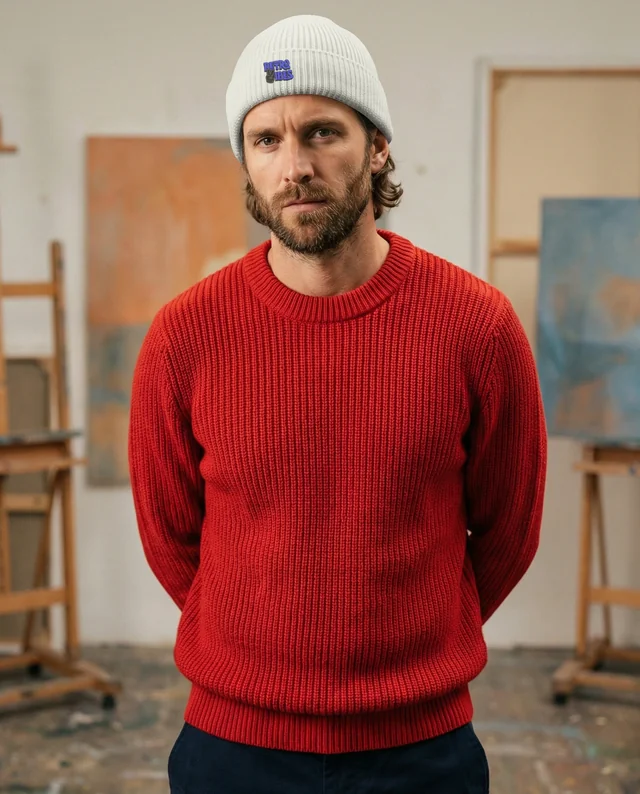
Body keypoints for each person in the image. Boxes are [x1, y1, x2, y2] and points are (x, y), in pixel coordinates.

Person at [128, 13, 547, 794]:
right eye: (266, 140)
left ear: (377, 145)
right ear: (246, 160)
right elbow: (169, 534)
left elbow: (510, 529)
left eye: (322, 132)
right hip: (233, 748)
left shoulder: (476, 326)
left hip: (420, 750)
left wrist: (413, 645)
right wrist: (259, 644)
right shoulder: (185, 336)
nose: (294, 166)